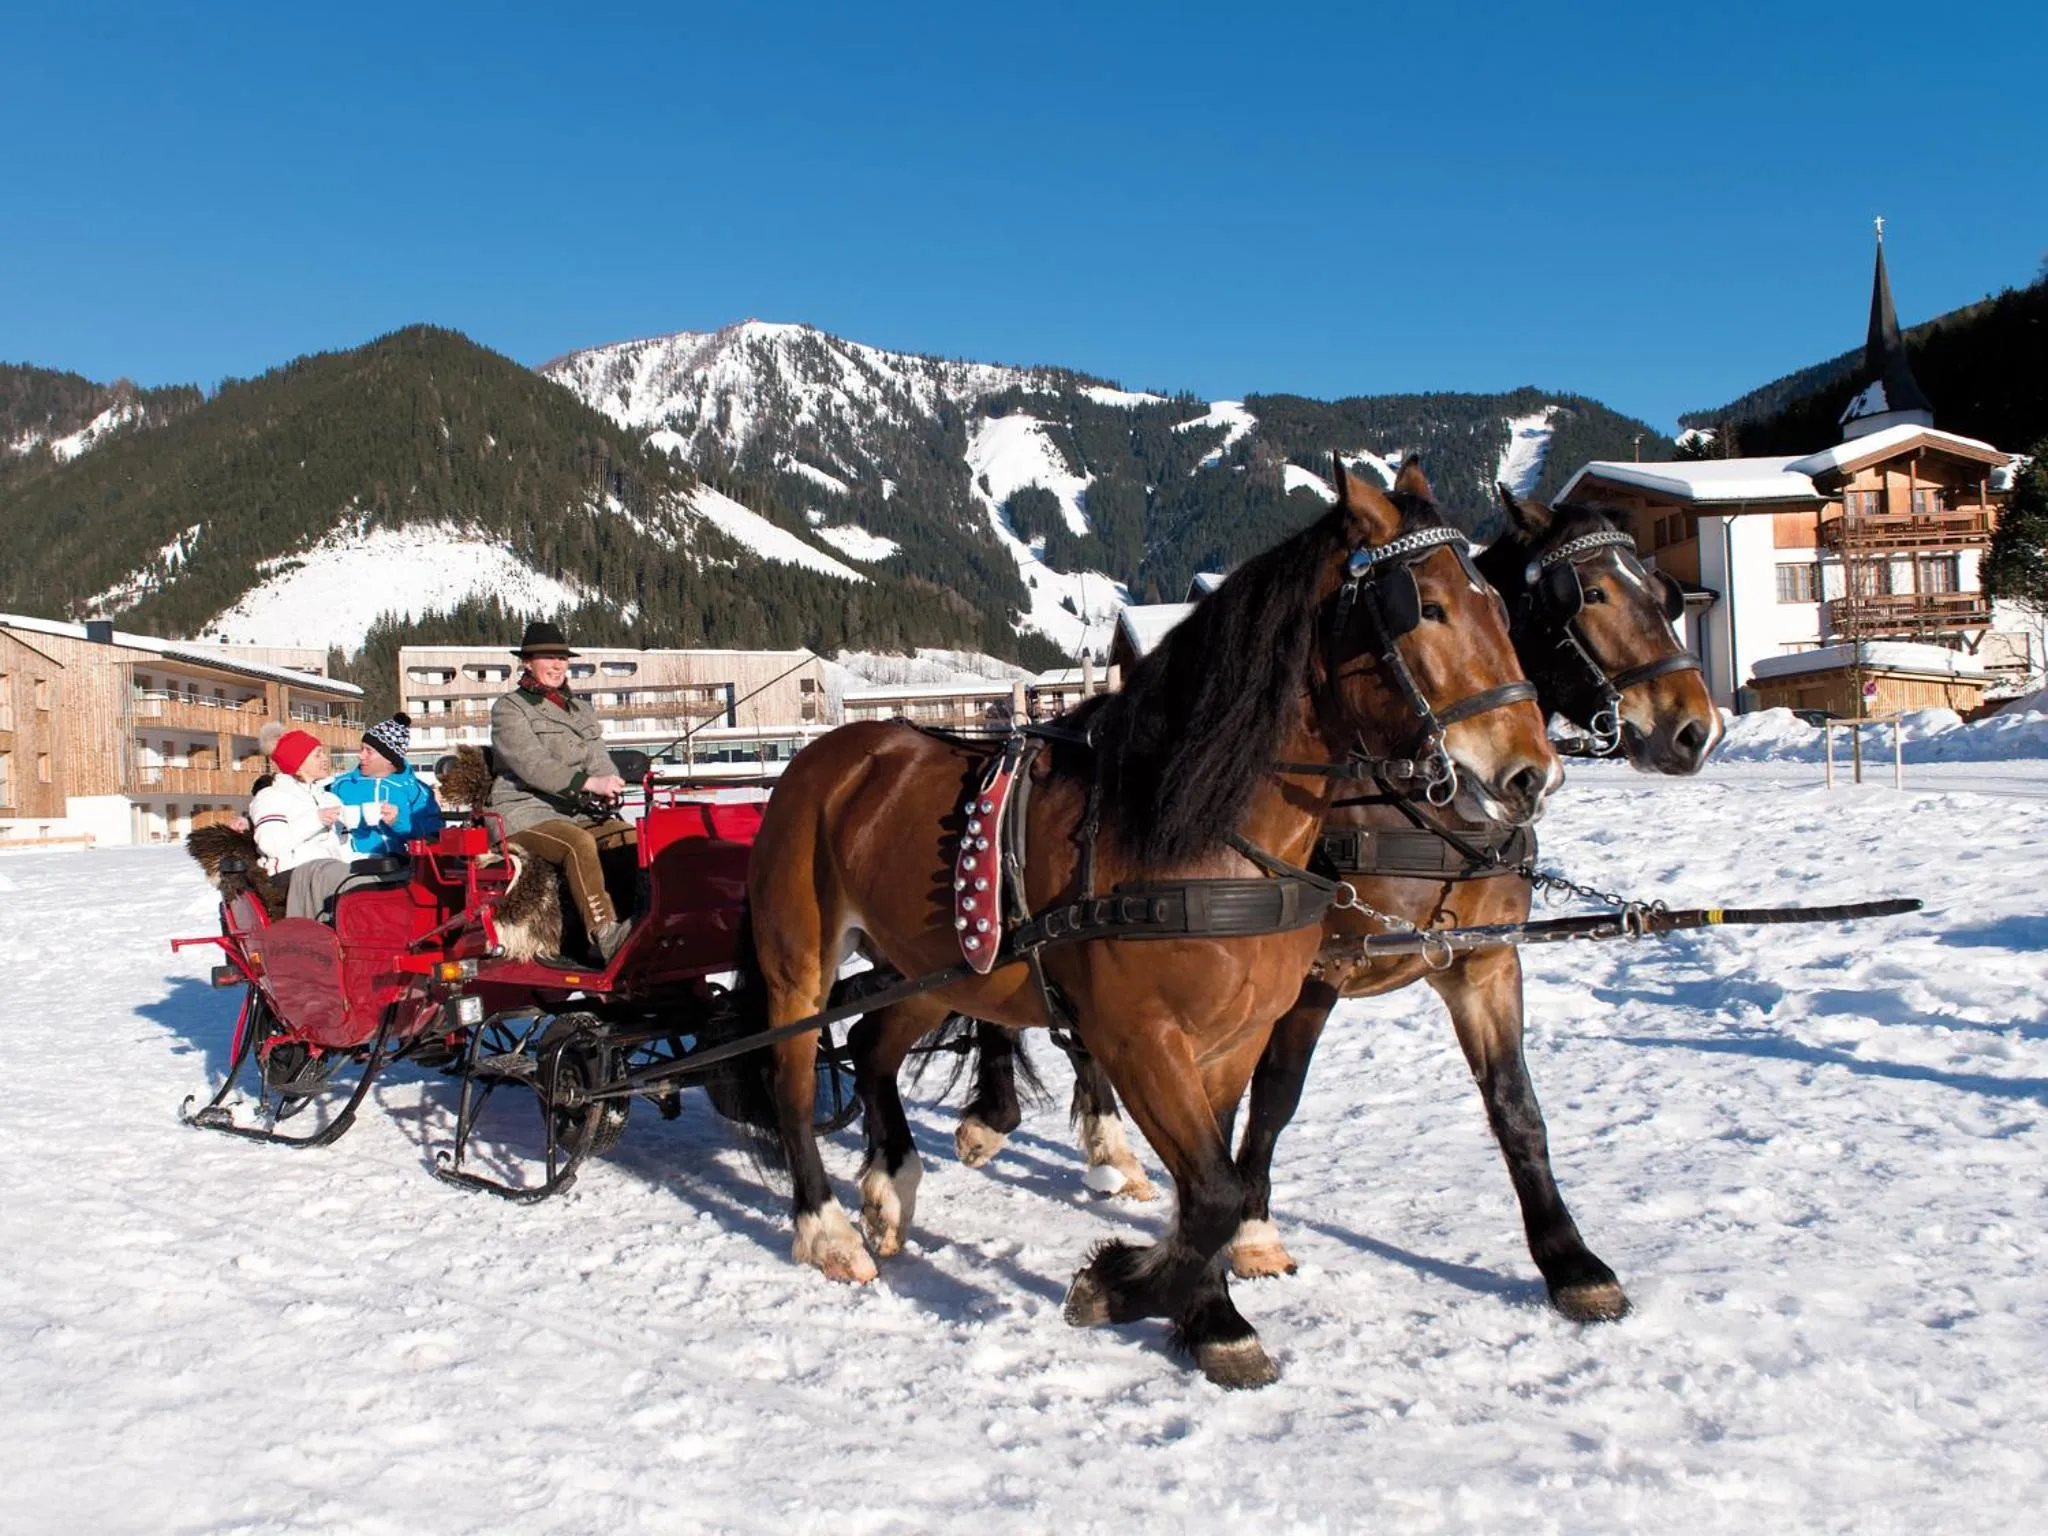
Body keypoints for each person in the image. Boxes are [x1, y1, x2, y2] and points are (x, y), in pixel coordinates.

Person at [489, 621, 637, 963]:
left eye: (562, 658)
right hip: (524, 812)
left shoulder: (581, 710)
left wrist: (608, 784)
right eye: (547, 658)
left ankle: (637, 917)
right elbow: (532, 763)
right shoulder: (509, 708)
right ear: (527, 662)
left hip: (575, 812)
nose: (557, 665)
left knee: (626, 836)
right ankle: (604, 936)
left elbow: (599, 757)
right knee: (577, 843)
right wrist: (585, 784)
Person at [248, 729, 354, 920]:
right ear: (298, 764)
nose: (325, 759)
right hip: (289, 877)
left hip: (330, 873)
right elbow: (271, 844)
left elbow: (344, 845)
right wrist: (316, 820)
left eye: (323, 752)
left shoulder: (330, 798)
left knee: (377, 873)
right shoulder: (271, 796)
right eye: (317, 754)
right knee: (338, 876)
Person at [328, 712, 444, 857]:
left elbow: (433, 836)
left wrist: (398, 822)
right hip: (349, 865)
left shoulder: (417, 791)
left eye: (369, 751)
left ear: (389, 759)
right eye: (361, 749)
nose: (361, 756)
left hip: (400, 868)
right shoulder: (340, 785)